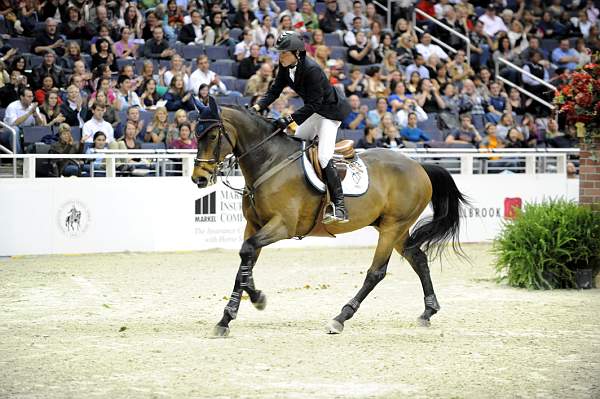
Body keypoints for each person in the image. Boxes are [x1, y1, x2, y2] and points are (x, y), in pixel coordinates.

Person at [252, 31, 351, 224]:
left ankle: (340, 207)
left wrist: (287, 119)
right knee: (296, 138)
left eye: (283, 53)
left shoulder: (312, 70)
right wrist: (257, 107)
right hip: (315, 111)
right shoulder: (285, 66)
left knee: (323, 156)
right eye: (279, 53)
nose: (280, 57)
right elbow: (274, 90)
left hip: (329, 113)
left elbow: (314, 104)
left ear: (297, 53)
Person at [2, 87, 44, 153]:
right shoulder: (12, 106)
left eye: (32, 96)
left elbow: (40, 125)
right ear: (22, 97)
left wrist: (36, 116)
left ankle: (33, 155)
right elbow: (14, 123)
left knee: (39, 130)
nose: (31, 99)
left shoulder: (34, 107)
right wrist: (29, 113)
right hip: (8, 132)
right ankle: (18, 157)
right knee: (15, 129)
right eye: (29, 97)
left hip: (26, 131)